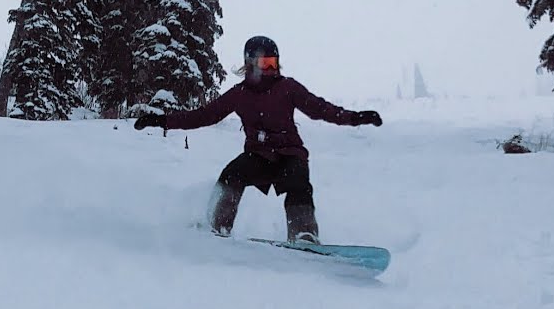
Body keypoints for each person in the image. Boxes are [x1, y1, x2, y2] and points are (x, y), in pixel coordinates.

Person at [133, 35, 382, 243]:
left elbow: (320, 108)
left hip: (290, 154)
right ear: (249, 64)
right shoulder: (239, 95)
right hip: (259, 156)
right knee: (232, 174)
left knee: (298, 183)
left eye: (273, 63)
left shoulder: (287, 87)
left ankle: (304, 235)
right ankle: (218, 227)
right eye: (264, 63)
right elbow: (203, 116)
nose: (270, 69)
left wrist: (355, 118)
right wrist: (163, 120)